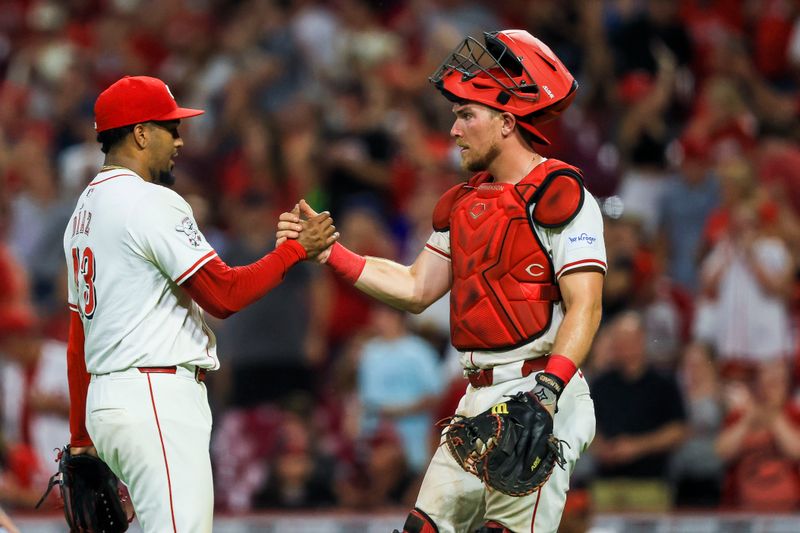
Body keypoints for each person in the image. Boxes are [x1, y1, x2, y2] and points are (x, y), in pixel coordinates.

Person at [278, 30, 606, 533]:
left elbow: (586, 306)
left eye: (465, 115)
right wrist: (330, 253)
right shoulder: (464, 203)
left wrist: (546, 393)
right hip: (475, 401)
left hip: (542, 394)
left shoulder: (560, 192)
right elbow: (414, 288)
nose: (453, 130)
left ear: (506, 121)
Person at [62, 75, 337, 532]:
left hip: (108, 405)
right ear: (141, 133)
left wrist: (81, 438)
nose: (180, 139)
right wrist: (295, 250)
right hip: (153, 395)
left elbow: (78, 340)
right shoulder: (150, 202)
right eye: (170, 128)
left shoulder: (83, 213)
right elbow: (223, 295)